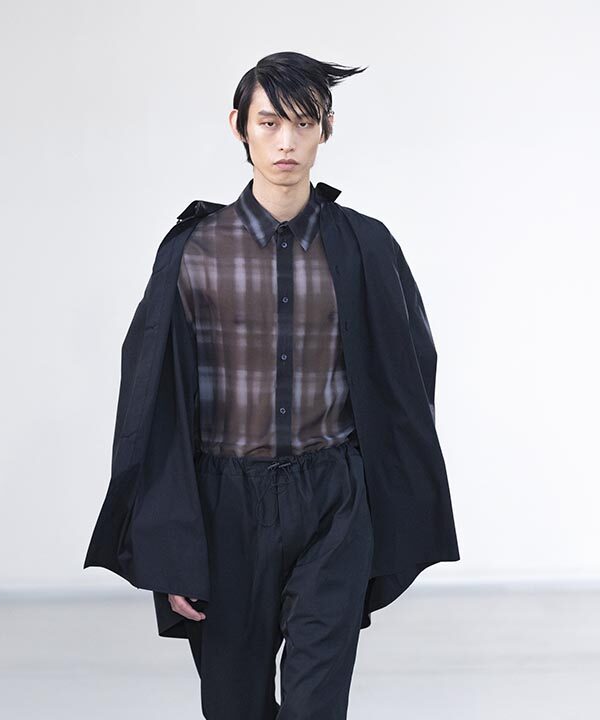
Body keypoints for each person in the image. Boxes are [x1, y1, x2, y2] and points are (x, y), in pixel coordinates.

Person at [84, 51, 460, 720]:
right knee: (234, 706)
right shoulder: (193, 251)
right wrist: (172, 545)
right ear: (239, 127)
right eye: (269, 122)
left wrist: (378, 490)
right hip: (223, 506)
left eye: (303, 123)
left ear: (326, 129)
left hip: (335, 500)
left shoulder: (366, 246)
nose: (286, 141)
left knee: (318, 705)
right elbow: (152, 403)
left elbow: (410, 370)